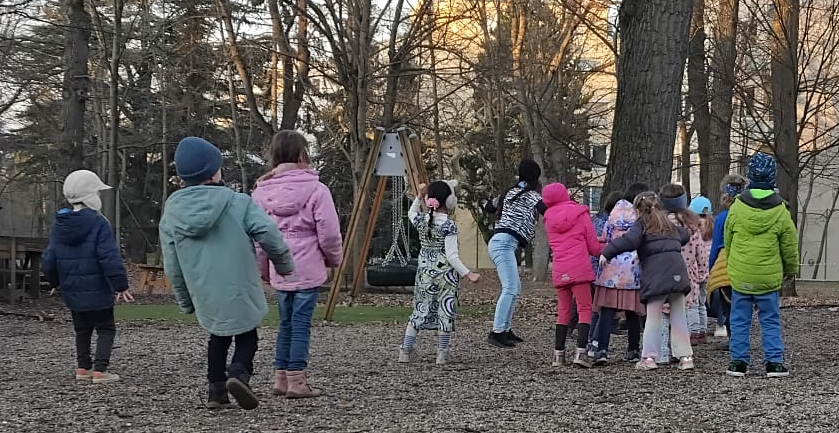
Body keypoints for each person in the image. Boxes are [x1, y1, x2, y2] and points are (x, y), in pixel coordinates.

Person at [159, 137, 295, 410]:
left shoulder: (172, 213)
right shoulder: (237, 202)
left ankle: (216, 391)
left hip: (204, 290)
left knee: (217, 337)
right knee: (247, 335)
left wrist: (185, 299)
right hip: (239, 284)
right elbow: (268, 233)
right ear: (213, 172)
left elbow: (171, 262)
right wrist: (283, 264)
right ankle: (239, 373)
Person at [252, 130, 343, 398]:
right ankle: (297, 381)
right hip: (307, 266)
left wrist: (263, 268)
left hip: (280, 266)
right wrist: (333, 259)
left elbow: (259, 239)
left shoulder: (261, 193)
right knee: (301, 324)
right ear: (303, 154)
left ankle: (280, 378)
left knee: (285, 323)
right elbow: (329, 233)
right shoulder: (317, 190)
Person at [41, 170, 134, 384]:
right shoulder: (99, 223)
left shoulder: (59, 225)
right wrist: (121, 285)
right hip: (98, 290)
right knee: (105, 329)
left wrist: (55, 281)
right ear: (91, 196)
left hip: (72, 290)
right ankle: (100, 370)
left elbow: (48, 258)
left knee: (81, 329)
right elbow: (109, 257)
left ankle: (83, 368)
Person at [599, 191, 695, 371]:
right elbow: (684, 235)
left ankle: (649, 358)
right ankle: (686, 357)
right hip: (678, 272)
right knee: (679, 316)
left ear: (637, 210)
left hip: (657, 275)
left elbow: (629, 240)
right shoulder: (668, 223)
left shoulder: (642, 224)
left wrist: (607, 252)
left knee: (653, 317)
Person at [725, 153, 798, 378]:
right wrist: (791, 269)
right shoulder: (781, 211)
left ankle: (738, 363)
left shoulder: (737, 207)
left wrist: (732, 264)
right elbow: (789, 245)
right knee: (770, 320)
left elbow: (728, 241)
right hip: (768, 278)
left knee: (739, 320)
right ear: (773, 177)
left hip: (741, 276)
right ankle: (774, 363)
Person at [398, 180, 481, 365]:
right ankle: (442, 353)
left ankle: (405, 350)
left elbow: (411, 213)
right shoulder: (449, 226)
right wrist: (468, 274)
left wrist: (418, 196)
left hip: (425, 274)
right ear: (450, 201)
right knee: (446, 310)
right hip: (446, 276)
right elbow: (452, 257)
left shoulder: (421, 220)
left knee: (420, 309)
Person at [484, 159, 546, 348]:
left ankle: (505, 328)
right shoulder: (532, 196)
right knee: (510, 287)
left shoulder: (509, 192)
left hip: (501, 242)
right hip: (503, 243)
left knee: (515, 287)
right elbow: (547, 210)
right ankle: (497, 332)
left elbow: (488, 207)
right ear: (536, 178)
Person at [542, 183, 603, 368]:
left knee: (563, 311)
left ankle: (558, 355)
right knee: (585, 309)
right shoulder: (580, 213)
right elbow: (593, 247)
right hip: (579, 268)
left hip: (560, 269)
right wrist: (608, 247)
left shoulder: (548, 218)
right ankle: (581, 352)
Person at [589, 183, 648, 364]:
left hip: (611, 268)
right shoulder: (640, 218)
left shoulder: (613, 215)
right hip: (632, 269)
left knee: (607, 310)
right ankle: (633, 349)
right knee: (632, 312)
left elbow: (606, 236)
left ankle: (601, 349)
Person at [708, 175, 747, 339]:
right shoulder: (748, 215)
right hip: (746, 264)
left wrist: (711, 267)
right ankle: (741, 339)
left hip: (725, 266)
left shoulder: (723, 217)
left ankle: (734, 340)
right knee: (742, 307)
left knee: (728, 307)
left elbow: (716, 244)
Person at [688, 195, 714, 343]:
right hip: (707, 272)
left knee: (692, 303)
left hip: (695, 271)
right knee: (702, 303)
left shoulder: (694, 229)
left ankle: (693, 332)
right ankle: (703, 332)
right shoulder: (712, 228)